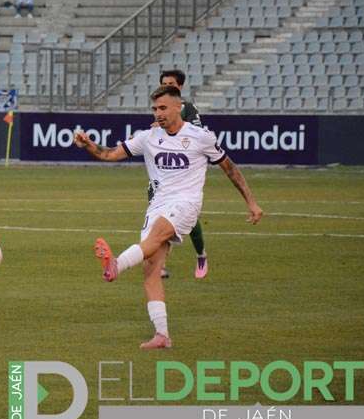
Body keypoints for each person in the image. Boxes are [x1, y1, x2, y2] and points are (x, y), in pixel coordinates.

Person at [73, 86, 263, 349]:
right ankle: (162, 335)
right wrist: (88, 145)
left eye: (163, 108)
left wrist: (251, 202)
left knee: (157, 235)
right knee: (151, 269)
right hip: (157, 206)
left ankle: (116, 264)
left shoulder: (201, 137)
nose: (158, 113)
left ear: (178, 107)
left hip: (186, 203)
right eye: (154, 109)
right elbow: (109, 154)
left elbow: (229, 168)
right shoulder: (148, 137)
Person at [157, 69, 207, 278]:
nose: (168, 86)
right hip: (163, 175)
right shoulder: (159, 109)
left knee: (189, 219)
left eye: (171, 83)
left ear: (180, 86)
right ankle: (160, 266)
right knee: (160, 218)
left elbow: (199, 134)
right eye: (164, 83)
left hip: (185, 175)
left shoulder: (187, 108)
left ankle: (201, 254)